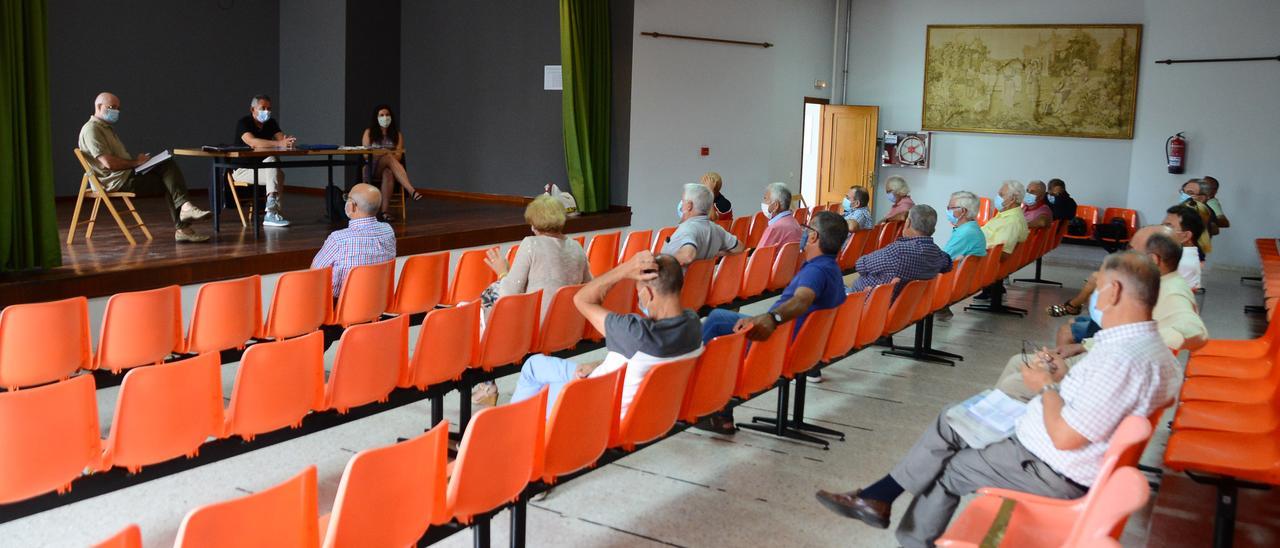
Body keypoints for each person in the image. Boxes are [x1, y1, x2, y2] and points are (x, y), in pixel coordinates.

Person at [816, 251, 1180, 548]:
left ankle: (898, 523)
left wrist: (1045, 387)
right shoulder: (1152, 350)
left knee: (949, 466)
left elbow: (1068, 438)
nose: (1094, 296)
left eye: (1097, 288)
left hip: (1048, 466)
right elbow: (1102, 401)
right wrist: (1061, 378)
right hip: (1053, 451)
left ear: (1114, 291)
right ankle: (879, 498)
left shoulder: (1120, 359)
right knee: (953, 419)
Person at [997, 227, 1206, 401]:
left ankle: (993, 434)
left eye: (1131, 249)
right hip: (1102, 356)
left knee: (1016, 383)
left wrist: (1143, 343)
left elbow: (1195, 330)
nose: (1125, 255)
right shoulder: (1156, 284)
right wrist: (1084, 345)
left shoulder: (1172, 290)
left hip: (1106, 369)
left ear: (1153, 259)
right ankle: (991, 430)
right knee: (1018, 361)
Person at [696, 211, 849, 432]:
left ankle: (694, 394)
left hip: (778, 342)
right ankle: (717, 412)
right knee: (719, 318)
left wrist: (772, 318)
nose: (804, 233)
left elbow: (803, 299)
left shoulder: (816, 270)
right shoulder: (832, 268)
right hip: (805, 346)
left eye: (807, 229)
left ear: (814, 237)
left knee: (717, 327)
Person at [509, 251, 702, 417]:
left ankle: (515, 429)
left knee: (533, 370)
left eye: (639, 292)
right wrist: (601, 364)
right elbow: (637, 359)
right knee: (539, 367)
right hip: (643, 410)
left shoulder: (634, 332)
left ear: (649, 294)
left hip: (594, 408)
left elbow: (582, 299)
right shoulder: (693, 324)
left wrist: (626, 268)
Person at [471, 195, 591, 407]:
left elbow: (510, 293)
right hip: (568, 327)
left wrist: (502, 271)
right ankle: (487, 383)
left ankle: (486, 382)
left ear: (535, 224)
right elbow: (588, 287)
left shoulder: (531, 245)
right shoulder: (577, 248)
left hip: (535, 328)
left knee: (487, 300)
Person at [78, 92, 211, 242]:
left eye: (118, 108)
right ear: (98, 106)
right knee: (169, 177)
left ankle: (185, 214)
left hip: (126, 175)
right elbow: (109, 164)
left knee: (168, 169)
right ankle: (184, 222)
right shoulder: (92, 130)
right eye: (111, 107)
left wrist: (139, 162)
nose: (116, 111)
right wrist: (137, 163)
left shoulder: (106, 128)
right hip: (117, 182)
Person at [310, 183, 396, 297]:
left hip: (339, 307)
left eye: (347, 198)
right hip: (378, 303)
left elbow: (314, 273)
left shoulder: (339, 240)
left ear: (352, 206)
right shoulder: (388, 231)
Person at [850, 204, 953, 298]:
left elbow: (860, 265)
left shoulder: (899, 251)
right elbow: (948, 265)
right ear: (933, 230)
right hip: (909, 306)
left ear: (908, 223)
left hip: (874, 303)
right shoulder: (937, 253)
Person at [234, 94, 297, 227]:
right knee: (273, 164)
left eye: (269, 108)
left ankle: (272, 213)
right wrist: (279, 144)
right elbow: (252, 142)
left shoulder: (271, 123)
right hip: (243, 170)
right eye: (263, 108)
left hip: (264, 168)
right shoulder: (244, 123)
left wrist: (288, 141)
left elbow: (281, 139)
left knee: (277, 171)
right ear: (252, 110)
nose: (266, 112)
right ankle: (271, 213)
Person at [362, 104, 421, 220]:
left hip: (389, 168)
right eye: (382, 115)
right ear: (376, 117)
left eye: (387, 115)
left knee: (388, 172)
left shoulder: (397, 135)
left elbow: (398, 156)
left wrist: (384, 154)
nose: (385, 117)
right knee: (388, 155)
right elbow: (365, 155)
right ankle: (410, 189)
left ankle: (384, 212)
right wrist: (384, 153)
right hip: (372, 167)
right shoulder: (369, 133)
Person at [662, 183, 744, 266]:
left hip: (678, 278)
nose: (681, 205)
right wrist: (714, 254)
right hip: (703, 278)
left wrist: (659, 262)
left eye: (683, 201)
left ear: (689, 206)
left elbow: (688, 256)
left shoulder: (688, 229)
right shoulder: (717, 229)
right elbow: (739, 248)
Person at [973, 180, 1030, 301]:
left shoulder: (1012, 221)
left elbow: (1002, 254)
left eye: (1001, 194)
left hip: (981, 261)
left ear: (1013, 198)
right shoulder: (1005, 215)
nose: (997, 197)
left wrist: (973, 250)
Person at [935, 191, 987, 321]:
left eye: (950, 208)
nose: (947, 211)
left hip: (953, 282)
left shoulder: (965, 233)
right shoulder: (971, 228)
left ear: (962, 211)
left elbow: (942, 260)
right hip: (964, 280)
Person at [1163, 205, 1205, 290]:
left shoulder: (1180, 262)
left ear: (1186, 236)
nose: (1161, 230)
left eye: (1168, 227)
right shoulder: (1184, 253)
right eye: (1162, 225)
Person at [758, 182, 803, 249]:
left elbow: (758, 257)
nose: (763, 203)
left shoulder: (774, 228)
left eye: (765, 199)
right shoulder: (795, 223)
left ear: (776, 205)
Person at [1176, 179, 1216, 254]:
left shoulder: (1202, 213)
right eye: (1182, 192)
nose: (1184, 195)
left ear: (1202, 197)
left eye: (1189, 193)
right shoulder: (1186, 209)